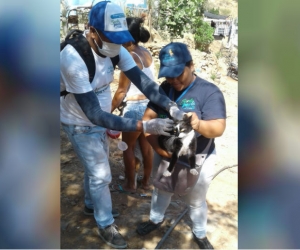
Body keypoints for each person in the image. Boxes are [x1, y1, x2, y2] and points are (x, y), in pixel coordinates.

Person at [60, 1, 184, 249]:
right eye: (110, 37)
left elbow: (145, 84)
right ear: (92, 30)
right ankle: (105, 224)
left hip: (100, 117)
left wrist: (170, 105)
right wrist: (145, 126)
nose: (116, 44)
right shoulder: (72, 58)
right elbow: (94, 114)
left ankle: (90, 204)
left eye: (119, 38)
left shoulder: (115, 48)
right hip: (79, 122)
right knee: (101, 174)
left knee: (96, 167)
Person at [136, 42, 226, 249]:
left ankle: (200, 233)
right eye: (169, 75)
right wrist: (159, 151)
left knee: (196, 198)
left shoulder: (209, 92)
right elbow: (148, 121)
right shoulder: (164, 90)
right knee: (161, 190)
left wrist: (199, 124)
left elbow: (219, 128)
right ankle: (155, 219)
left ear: (191, 65)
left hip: (198, 156)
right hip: (165, 153)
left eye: (178, 74)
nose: (173, 80)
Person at [111, 17, 154, 193]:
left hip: (135, 108)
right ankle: (146, 182)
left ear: (127, 36)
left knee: (127, 147)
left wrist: (106, 111)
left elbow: (121, 91)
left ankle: (130, 184)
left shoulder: (129, 58)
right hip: (150, 106)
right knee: (146, 146)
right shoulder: (146, 53)